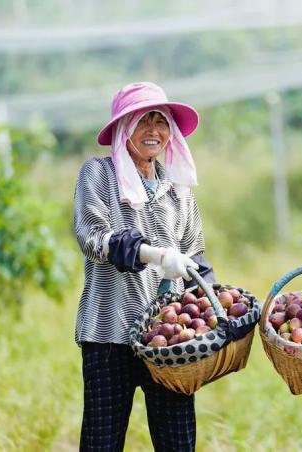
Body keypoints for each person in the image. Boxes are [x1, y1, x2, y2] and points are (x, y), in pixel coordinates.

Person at [73, 81, 215, 451]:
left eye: (161, 122)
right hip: (109, 332)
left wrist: (218, 305)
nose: (154, 131)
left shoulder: (178, 189)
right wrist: (154, 254)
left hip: (169, 338)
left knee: (176, 441)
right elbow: (92, 238)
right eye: (142, 121)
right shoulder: (97, 174)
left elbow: (195, 256)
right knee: (101, 441)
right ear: (124, 129)